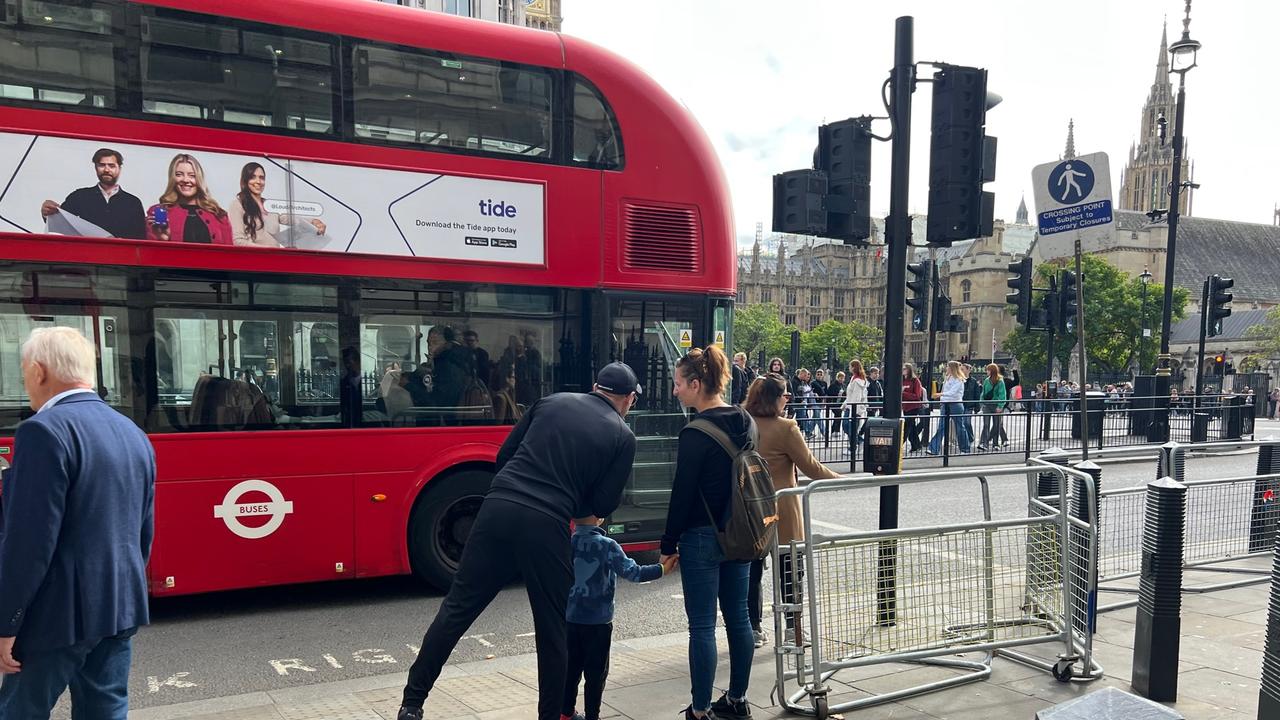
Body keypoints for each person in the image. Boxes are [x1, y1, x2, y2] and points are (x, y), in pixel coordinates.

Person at [397, 363, 640, 720]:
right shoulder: (623, 436)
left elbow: (504, 456)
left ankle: (412, 703)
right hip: (547, 523)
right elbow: (603, 504)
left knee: (457, 608)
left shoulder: (549, 402)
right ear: (629, 400)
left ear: (594, 387)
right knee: (553, 627)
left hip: (497, 507)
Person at [0, 327, 155, 719]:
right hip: (120, 604)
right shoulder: (132, 432)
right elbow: (143, 531)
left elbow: (29, 542)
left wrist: (7, 622)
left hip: (57, 614)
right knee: (105, 709)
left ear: (38, 372)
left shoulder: (42, 431)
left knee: (19, 711)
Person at [661, 345, 756, 720]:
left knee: (702, 625)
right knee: (739, 618)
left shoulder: (695, 433)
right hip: (741, 532)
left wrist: (668, 544)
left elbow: (682, 494)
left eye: (679, 384)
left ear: (697, 384)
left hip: (702, 535)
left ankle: (700, 711)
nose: (675, 391)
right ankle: (737, 701)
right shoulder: (745, 421)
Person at [744, 373, 841, 646]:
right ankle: (792, 629)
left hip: (750, 506)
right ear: (774, 399)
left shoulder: (742, 421)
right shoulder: (787, 428)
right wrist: (843, 480)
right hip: (783, 507)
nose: (788, 400)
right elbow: (811, 467)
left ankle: (753, 628)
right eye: (785, 395)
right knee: (790, 570)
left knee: (751, 571)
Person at [561, 515, 668, 720]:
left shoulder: (567, 543)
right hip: (598, 622)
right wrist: (661, 569)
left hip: (570, 619)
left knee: (571, 669)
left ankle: (565, 712)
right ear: (599, 518)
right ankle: (592, 716)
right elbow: (633, 573)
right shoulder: (607, 545)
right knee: (596, 673)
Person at [39, 148, 147, 239]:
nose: (106, 169)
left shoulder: (133, 202)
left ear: (119, 168)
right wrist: (47, 213)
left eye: (111, 165)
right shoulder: (79, 197)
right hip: (86, 258)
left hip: (122, 259)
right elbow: (60, 224)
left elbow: (141, 237)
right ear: (95, 168)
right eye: (102, 165)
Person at [228, 162, 326, 247]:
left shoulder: (269, 205)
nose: (258, 181)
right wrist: (268, 250)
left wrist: (313, 222)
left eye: (261, 178)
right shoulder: (237, 205)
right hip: (254, 260)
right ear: (245, 180)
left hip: (274, 260)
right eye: (253, 177)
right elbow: (238, 241)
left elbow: (288, 218)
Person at [146, 153, 233, 244]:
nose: (186, 180)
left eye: (192, 175)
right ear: (172, 178)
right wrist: (163, 239)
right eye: (179, 174)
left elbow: (230, 254)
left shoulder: (218, 214)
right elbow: (150, 254)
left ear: (199, 179)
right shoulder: (158, 212)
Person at [928, 361, 972, 455]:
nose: (946, 368)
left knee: (959, 427)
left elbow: (953, 392)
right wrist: (942, 399)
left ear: (952, 368)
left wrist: (940, 394)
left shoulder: (959, 380)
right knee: (941, 427)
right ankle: (934, 448)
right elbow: (946, 391)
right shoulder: (948, 378)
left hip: (955, 404)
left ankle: (965, 448)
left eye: (948, 366)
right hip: (945, 404)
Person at [976, 363, 1007, 451]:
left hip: (996, 405)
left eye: (988, 370)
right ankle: (984, 443)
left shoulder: (1000, 381)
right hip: (987, 405)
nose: (987, 371)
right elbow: (983, 392)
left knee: (996, 424)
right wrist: (981, 403)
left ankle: (995, 444)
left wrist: (1000, 406)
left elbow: (1002, 394)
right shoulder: (986, 380)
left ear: (992, 371)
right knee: (986, 424)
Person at [841, 359, 868, 446]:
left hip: (854, 408)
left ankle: (854, 447)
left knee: (851, 428)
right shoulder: (854, 378)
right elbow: (850, 395)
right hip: (849, 406)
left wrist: (854, 410)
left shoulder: (857, 381)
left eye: (850, 366)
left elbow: (856, 397)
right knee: (846, 426)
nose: (849, 368)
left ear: (853, 367)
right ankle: (859, 442)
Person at [901, 363, 927, 452]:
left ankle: (900, 444)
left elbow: (917, 395)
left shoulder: (915, 381)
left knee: (907, 426)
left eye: (905, 368)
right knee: (911, 427)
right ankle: (916, 445)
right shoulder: (902, 380)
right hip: (905, 406)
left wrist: (903, 393)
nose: (903, 370)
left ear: (909, 370)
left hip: (913, 406)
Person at [825, 370, 846, 437]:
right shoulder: (833, 385)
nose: (841, 379)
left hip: (840, 403)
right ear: (837, 377)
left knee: (838, 416)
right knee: (838, 415)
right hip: (834, 403)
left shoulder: (843, 385)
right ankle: (836, 430)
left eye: (842, 378)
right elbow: (829, 393)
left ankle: (834, 430)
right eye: (840, 378)